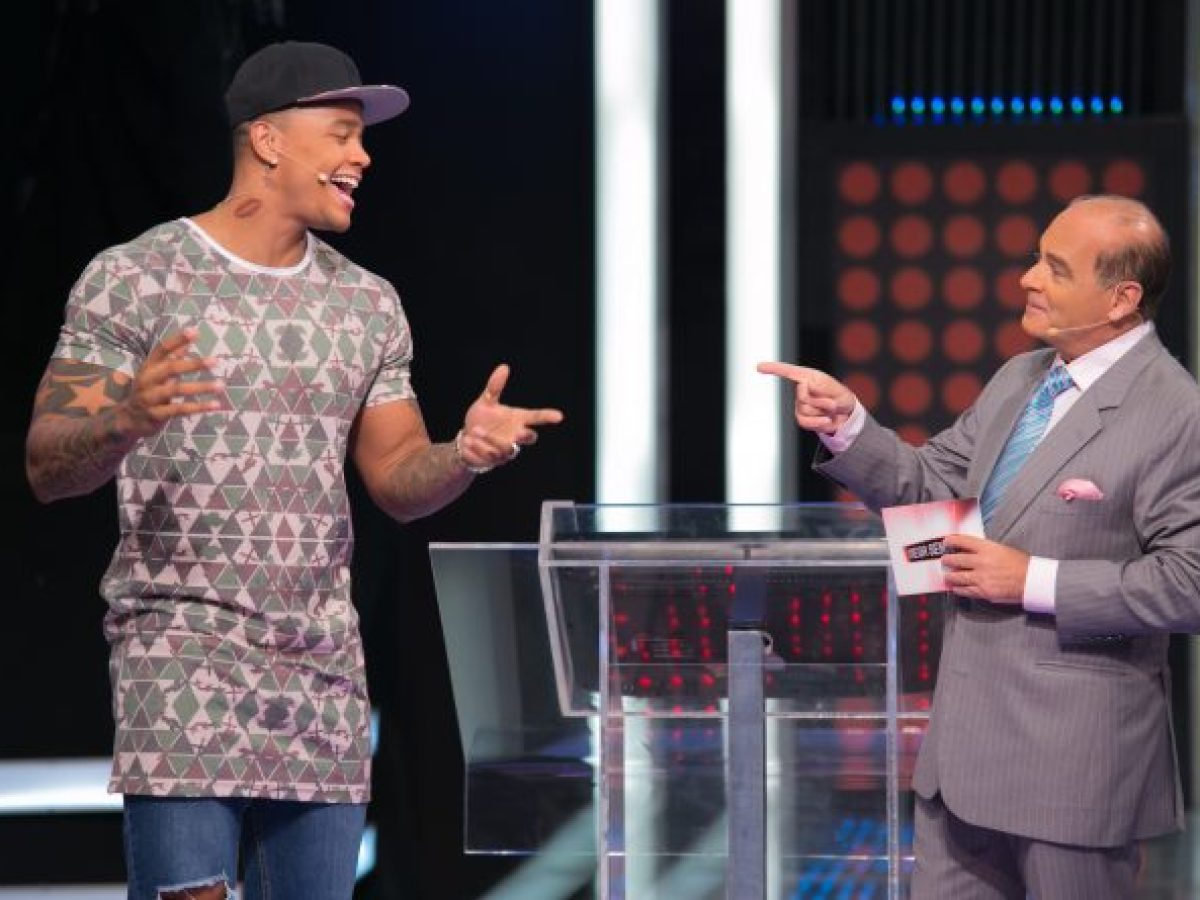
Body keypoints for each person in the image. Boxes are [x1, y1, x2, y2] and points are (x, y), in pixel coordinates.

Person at [25, 40, 562, 900]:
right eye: (342, 134)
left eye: (362, 138)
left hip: (320, 678)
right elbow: (49, 464)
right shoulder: (134, 278)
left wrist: (461, 456)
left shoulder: (366, 304)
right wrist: (125, 418)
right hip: (181, 663)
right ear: (267, 140)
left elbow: (397, 478)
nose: (363, 156)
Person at [759, 194, 1200, 898]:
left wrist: (1031, 580)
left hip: (1074, 777)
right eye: (1037, 258)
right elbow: (930, 490)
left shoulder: (1176, 411)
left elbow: (1188, 582)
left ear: (1122, 299)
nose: (1029, 278)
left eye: (1056, 268)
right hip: (959, 771)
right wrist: (848, 426)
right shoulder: (1020, 379)